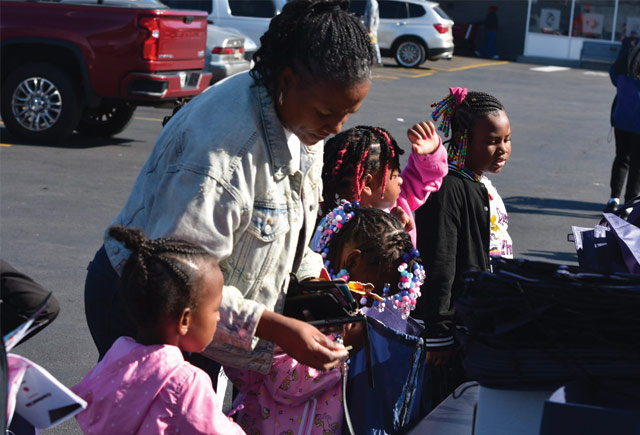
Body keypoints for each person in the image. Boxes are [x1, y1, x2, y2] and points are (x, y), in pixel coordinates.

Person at [83, 0, 375, 375]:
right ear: (286, 81)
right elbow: (178, 281)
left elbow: (295, 227)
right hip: (148, 314)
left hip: (206, 319)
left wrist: (321, 290)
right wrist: (276, 328)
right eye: (326, 114)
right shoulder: (220, 156)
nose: (337, 127)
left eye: (349, 114)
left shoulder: (302, 119)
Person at [226, 205, 425, 434]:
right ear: (353, 261)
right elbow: (281, 382)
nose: (372, 304)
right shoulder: (294, 301)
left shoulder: (345, 315)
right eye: (373, 291)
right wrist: (342, 351)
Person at [73, 227, 245, 434]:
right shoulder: (187, 382)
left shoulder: (116, 358)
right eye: (215, 310)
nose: (218, 317)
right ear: (185, 320)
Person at [413, 87, 512, 409]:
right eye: (492, 141)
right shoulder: (448, 189)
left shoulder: (477, 182)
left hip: (475, 321)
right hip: (452, 330)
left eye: (507, 139)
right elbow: (440, 262)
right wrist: (438, 331)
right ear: (463, 139)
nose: (502, 150)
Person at [321, 123, 447, 246]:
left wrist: (430, 153)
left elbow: (422, 178)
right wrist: (391, 226)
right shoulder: (338, 226)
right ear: (368, 184)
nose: (401, 180)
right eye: (395, 175)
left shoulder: (398, 201)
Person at [604, 38, 640, 216]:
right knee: (636, 165)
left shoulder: (627, 57)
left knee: (621, 159)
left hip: (621, 119)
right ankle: (630, 204)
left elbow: (614, 76)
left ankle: (614, 199)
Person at [364, 0, 382, 65]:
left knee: (373, 42)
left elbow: (372, 15)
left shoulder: (372, 2)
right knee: (370, 42)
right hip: (369, 26)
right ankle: (371, 59)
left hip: (371, 27)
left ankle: (378, 60)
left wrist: (370, 27)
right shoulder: (369, 1)